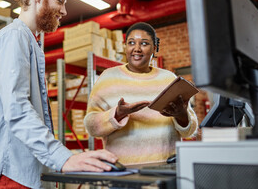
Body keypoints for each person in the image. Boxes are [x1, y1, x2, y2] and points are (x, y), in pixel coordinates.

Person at [0, 0, 117, 189]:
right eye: (60, 1)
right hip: (11, 174)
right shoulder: (14, 38)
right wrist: (63, 158)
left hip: (24, 172)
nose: (64, 10)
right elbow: (17, 109)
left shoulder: (31, 42)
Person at [84, 22, 198, 165]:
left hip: (166, 168)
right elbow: (91, 126)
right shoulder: (108, 78)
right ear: (126, 47)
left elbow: (190, 130)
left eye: (144, 44)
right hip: (123, 172)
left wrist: (181, 115)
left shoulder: (169, 79)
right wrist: (117, 114)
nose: (136, 49)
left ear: (154, 49)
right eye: (131, 43)